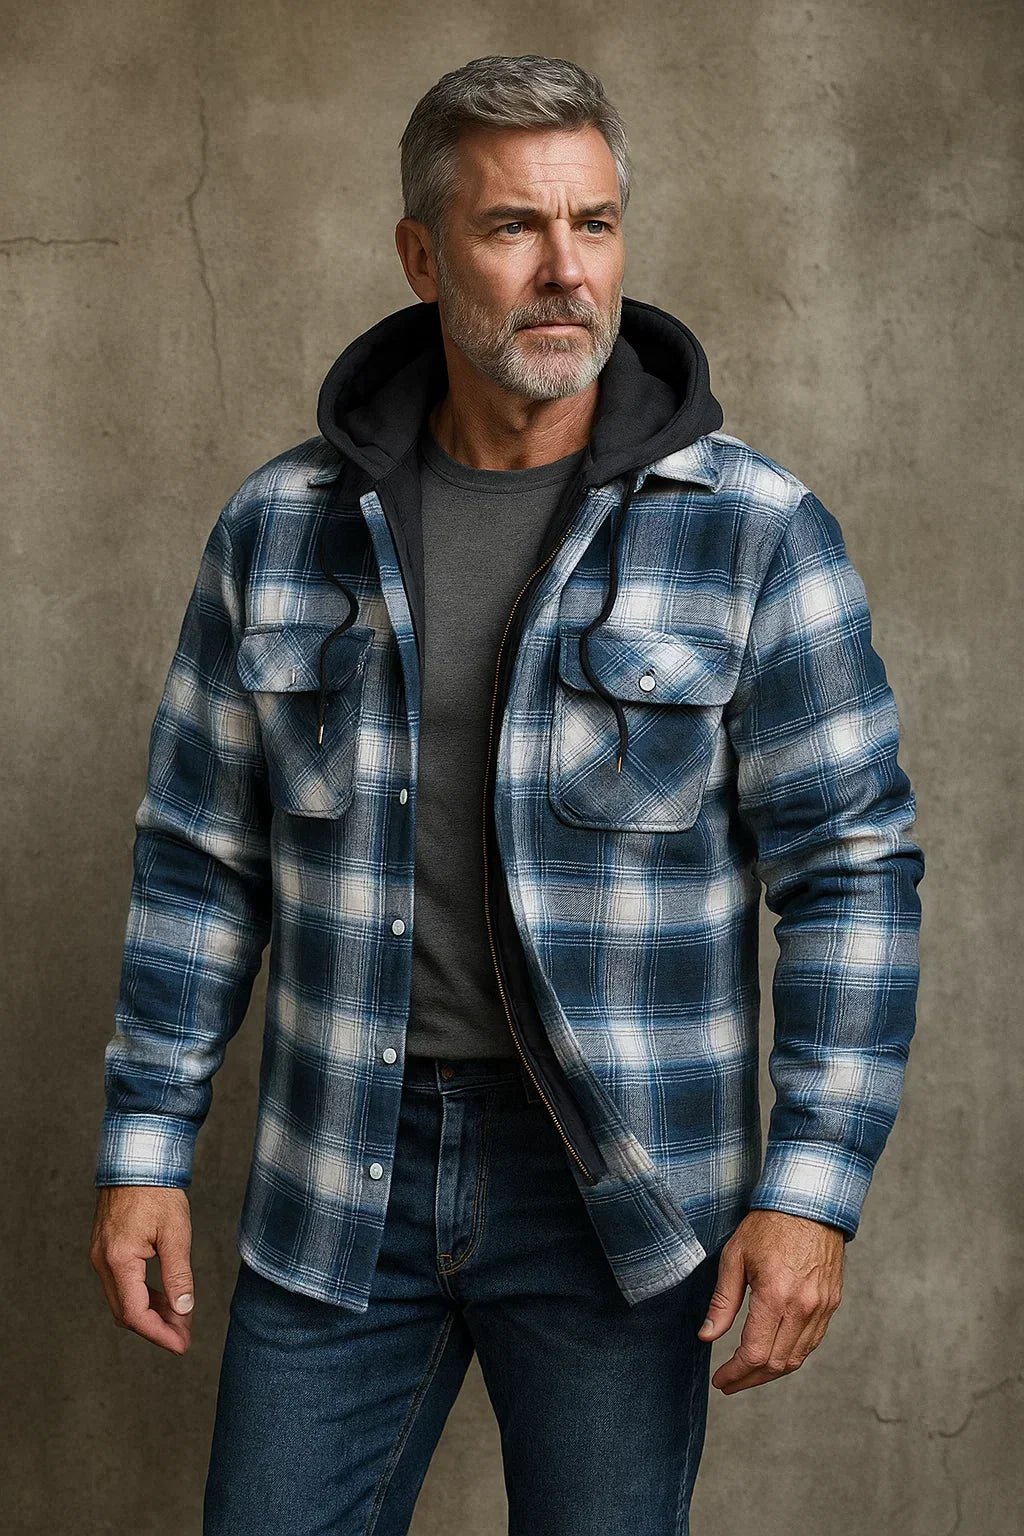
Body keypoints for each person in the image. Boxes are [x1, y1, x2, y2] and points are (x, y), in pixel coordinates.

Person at [89, 53, 925, 1536]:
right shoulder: (281, 527)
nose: (565, 272)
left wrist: (811, 1187)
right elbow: (200, 860)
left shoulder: (752, 531)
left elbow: (850, 869)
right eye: (513, 227)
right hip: (340, 1164)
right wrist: (147, 1146)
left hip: (618, 1187)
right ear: (423, 257)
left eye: (593, 224)